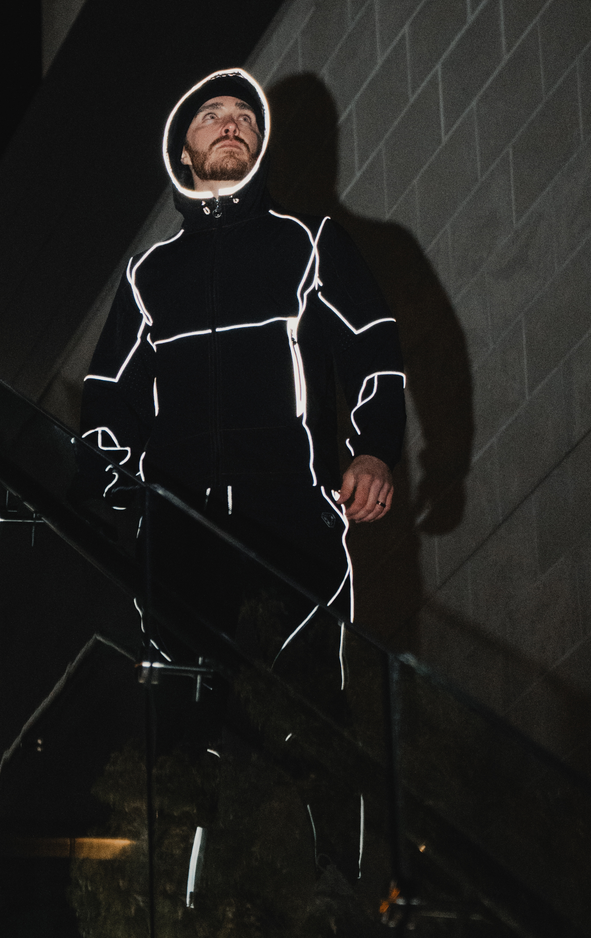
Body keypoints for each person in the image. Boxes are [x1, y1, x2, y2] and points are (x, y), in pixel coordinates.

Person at [81, 68, 406, 648]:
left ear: (260, 143)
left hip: (293, 526)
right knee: (189, 698)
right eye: (211, 116)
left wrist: (375, 448)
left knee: (298, 697)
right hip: (177, 540)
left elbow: (372, 345)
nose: (231, 125)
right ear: (183, 152)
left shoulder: (310, 240)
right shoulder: (147, 274)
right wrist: (117, 501)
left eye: (246, 118)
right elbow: (109, 395)